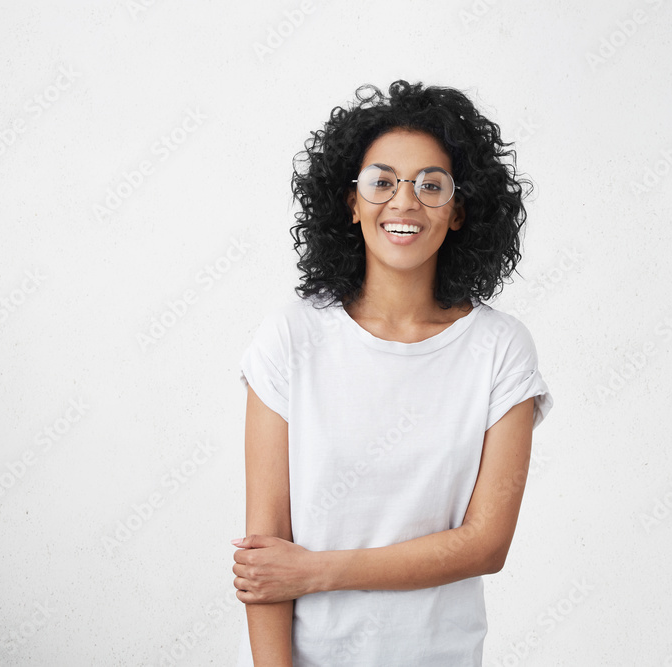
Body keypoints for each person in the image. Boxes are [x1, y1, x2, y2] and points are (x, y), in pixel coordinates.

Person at [230, 79, 554, 666]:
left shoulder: (501, 349)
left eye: (432, 185)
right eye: (382, 182)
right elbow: (265, 555)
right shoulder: (290, 339)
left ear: (458, 212)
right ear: (350, 202)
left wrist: (317, 572)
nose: (405, 202)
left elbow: (485, 544)